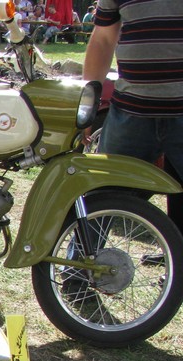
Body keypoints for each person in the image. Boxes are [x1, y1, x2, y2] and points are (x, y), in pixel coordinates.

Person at [82, 0, 183, 233]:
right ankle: (80, 257)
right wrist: (87, 103)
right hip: (130, 113)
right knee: (100, 200)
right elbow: (103, 39)